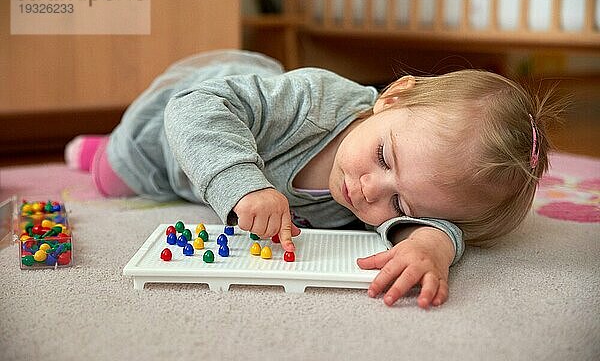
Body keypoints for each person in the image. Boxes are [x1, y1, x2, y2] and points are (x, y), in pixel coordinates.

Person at [66, 50, 562, 308]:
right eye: (384, 157)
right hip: (173, 134)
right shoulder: (312, 101)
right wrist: (245, 184)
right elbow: (196, 109)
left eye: (403, 207)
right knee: (113, 176)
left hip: (218, 148)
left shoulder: (400, 189)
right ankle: (96, 146)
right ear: (392, 98)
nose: (371, 190)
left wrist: (432, 244)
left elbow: (433, 226)